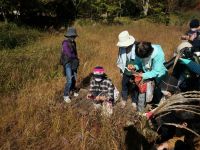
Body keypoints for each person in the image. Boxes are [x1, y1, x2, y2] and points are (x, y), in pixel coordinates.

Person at [131, 41, 168, 111]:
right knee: (143, 91)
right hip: (146, 73)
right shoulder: (140, 49)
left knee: (158, 90)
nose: (141, 59)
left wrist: (142, 75)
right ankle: (140, 110)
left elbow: (156, 71)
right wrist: (135, 67)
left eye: (142, 58)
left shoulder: (159, 54)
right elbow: (139, 63)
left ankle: (156, 107)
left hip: (159, 75)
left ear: (148, 54)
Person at [116, 30, 138, 108]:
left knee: (135, 86)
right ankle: (124, 99)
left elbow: (140, 60)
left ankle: (134, 101)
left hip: (135, 70)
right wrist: (121, 71)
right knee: (124, 84)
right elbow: (120, 60)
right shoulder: (121, 48)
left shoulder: (136, 47)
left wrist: (135, 68)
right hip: (125, 70)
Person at [60, 27, 79, 103]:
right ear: (68, 36)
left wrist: (76, 59)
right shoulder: (65, 43)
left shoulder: (74, 42)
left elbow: (75, 52)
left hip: (74, 62)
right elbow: (68, 53)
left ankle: (72, 90)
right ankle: (65, 95)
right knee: (69, 80)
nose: (73, 37)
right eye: (72, 36)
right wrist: (75, 58)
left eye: (74, 36)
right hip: (68, 62)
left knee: (74, 78)